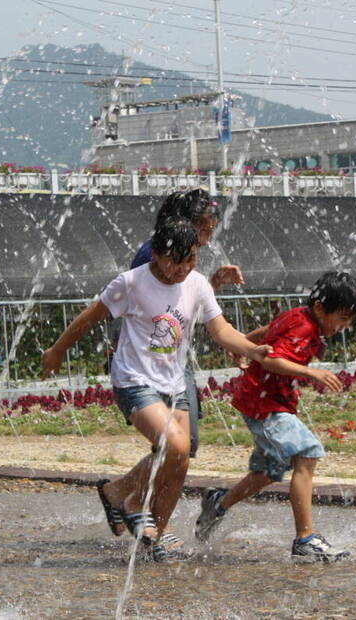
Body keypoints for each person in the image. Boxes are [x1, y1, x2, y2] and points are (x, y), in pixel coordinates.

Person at [42, 217, 270, 561]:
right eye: (174, 261)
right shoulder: (131, 283)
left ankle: (153, 535)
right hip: (134, 380)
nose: (182, 269)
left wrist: (250, 349)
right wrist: (57, 350)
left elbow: (220, 329)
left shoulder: (196, 284)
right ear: (157, 255)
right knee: (175, 444)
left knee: (179, 462)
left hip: (174, 383)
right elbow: (90, 317)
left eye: (190, 259)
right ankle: (132, 501)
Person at [98, 189, 246, 538]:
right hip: (145, 368)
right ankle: (132, 505)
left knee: (182, 447)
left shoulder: (183, 257)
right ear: (185, 225)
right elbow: (150, 308)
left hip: (172, 363)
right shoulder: (152, 255)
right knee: (176, 447)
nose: (209, 239)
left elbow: (183, 308)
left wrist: (212, 287)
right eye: (206, 230)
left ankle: (144, 520)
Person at [194, 272, 356, 563]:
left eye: (349, 321)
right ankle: (305, 539)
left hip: (263, 400)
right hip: (266, 404)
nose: (343, 327)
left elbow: (270, 331)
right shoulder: (304, 327)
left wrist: (244, 342)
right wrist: (311, 372)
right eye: (342, 318)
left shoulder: (298, 315)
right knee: (306, 454)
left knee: (270, 470)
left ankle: (218, 503)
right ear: (321, 308)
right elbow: (271, 359)